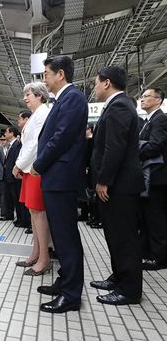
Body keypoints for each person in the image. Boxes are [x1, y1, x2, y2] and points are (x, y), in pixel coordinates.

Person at [31, 55, 88, 313]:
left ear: (60, 74)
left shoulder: (73, 98)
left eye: (46, 74)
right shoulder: (63, 100)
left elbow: (61, 138)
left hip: (61, 179)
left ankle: (71, 295)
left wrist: (38, 164)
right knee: (62, 235)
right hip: (57, 179)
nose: (45, 78)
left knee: (66, 237)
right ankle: (65, 281)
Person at [89, 65, 144, 305]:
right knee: (114, 234)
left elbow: (115, 148)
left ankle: (130, 290)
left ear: (107, 83)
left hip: (119, 185)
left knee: (124, 237)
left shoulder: (120, 106)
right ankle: (119, 277)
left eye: (96, 82)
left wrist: (103, 180)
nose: (94, 87)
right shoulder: (117, 105)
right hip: (118, 185)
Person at [12, 82, 51, 276]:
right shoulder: (36, 115)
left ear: (40, 96)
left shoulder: (42, 114)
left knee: (39, 214)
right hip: (30, 170)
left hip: (35, 169)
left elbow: (34, 145)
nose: (25, 98)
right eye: (25, 94)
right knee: (34, 214)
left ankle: (44, 258)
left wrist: (18, 164)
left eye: (29, 94)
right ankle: (36, 253)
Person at [138, 88, 167, 271]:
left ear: (158, 100)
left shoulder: (160, 119)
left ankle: (159, 257)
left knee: (157, 219)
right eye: (142, 96)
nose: (142, 99)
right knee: (147, 217)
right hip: (148, 177)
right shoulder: (148, 121)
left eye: (147, 96)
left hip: (157, 177)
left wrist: (133, 151)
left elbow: (155, 145)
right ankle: (148, 253)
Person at [3, 126, 26, 227]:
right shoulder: (11, 145)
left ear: (12, 133)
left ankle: (22, 220)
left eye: (6, 132)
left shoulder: (17, 145)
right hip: (10, 178)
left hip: (15, 178)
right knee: (15, 199)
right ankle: (19, 218)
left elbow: (16, 160)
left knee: (18, 200)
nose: (5, 134)